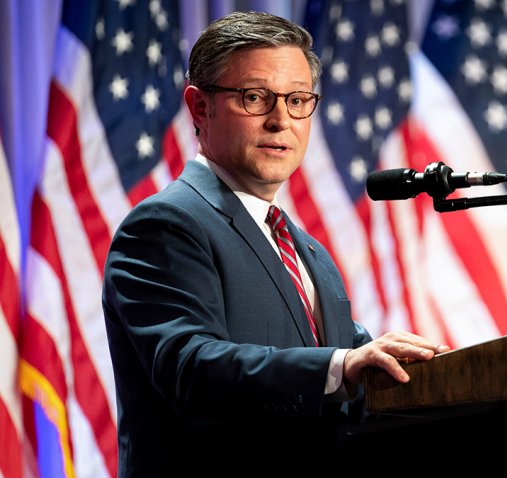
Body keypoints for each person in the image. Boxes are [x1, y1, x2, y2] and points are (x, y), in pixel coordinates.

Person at [102, 11, 448, 476]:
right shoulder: (166, 225)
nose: (281, 120)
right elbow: (191, 367)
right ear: (199, 107)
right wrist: (342, 366)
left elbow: (351, 373)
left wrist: (425, 375)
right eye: (255, 97)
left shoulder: (308, 252)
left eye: (298, 99)